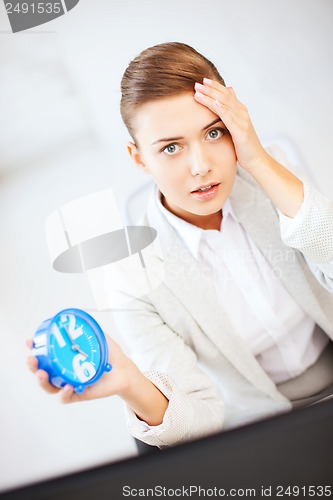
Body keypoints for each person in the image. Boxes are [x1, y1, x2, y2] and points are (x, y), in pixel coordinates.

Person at [27, 42, 333, 449]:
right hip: (263, 431)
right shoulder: (130, 275)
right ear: (139, 159)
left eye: (214, 132)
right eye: (171, 147)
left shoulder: (270, 177)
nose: (201, 165)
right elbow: (199, 419)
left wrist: (257, 158)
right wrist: (131, 383)